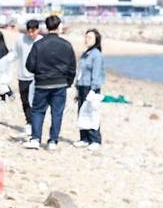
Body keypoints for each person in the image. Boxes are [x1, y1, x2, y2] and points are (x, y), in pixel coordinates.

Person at [23, 15, 76, 150]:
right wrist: (68, 82)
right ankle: (53, 141)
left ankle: (35, 138)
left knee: (38, 111)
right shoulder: (66, 45)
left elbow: (29, 65)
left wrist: (39, 73)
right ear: (59, 27)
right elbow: (72, 68)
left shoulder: (38, 44)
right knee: (57, 113)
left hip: (42, 83)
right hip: (60, 84)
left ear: (46, 27)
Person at [74, 29, 104, 151]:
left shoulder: (96, 54)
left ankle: (95, 139)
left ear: (96, 40)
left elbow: (97, 73)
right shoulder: (86, 53)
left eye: (90, 37)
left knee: (92, 113)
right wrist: (77, 88)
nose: (87, 39)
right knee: (82, 112)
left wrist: (94, 89)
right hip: (82, 86)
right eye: (86, 37)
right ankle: (84, 138)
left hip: (91, 87)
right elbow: (80, 71)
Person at [12, 19, 42, 135]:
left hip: (36, 77)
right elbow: (14, 53)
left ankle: (34, 123)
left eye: (33, 31)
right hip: (22, 76)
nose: (30, 34)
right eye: (28, 32)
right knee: (25, 102)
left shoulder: (41, 41)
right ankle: (29, 122)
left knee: (35, 102)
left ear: (38, 30)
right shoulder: (20, 40)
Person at [0, 31, 13, 101]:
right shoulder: (4, 45)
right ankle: (3, 97)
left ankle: (9, 94)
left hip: (1, 68)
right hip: (5, 67)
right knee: (2, 82)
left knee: (0, 83)